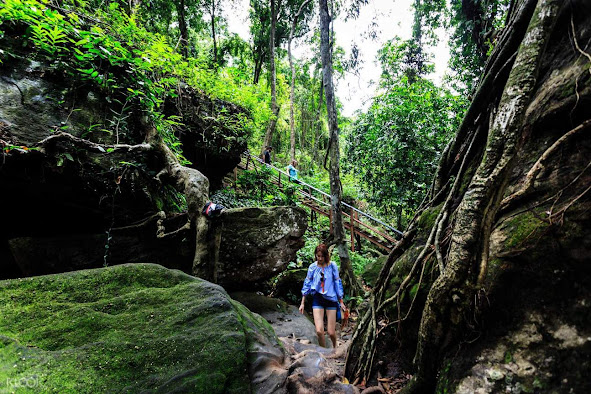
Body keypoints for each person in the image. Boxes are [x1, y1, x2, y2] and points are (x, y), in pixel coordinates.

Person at [299, 243, 347, 348]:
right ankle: (324, 351)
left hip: (331, 300)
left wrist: (341, 301)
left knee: (331, 332)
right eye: (318, 256)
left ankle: (335, 348)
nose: (320, 258)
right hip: (318, 299)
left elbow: (337, 282)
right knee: (319, 331)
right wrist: (302, 303)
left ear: (326, 256)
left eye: (322, 256)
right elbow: (307, 284)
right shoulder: (312, 267)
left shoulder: (332, 265)